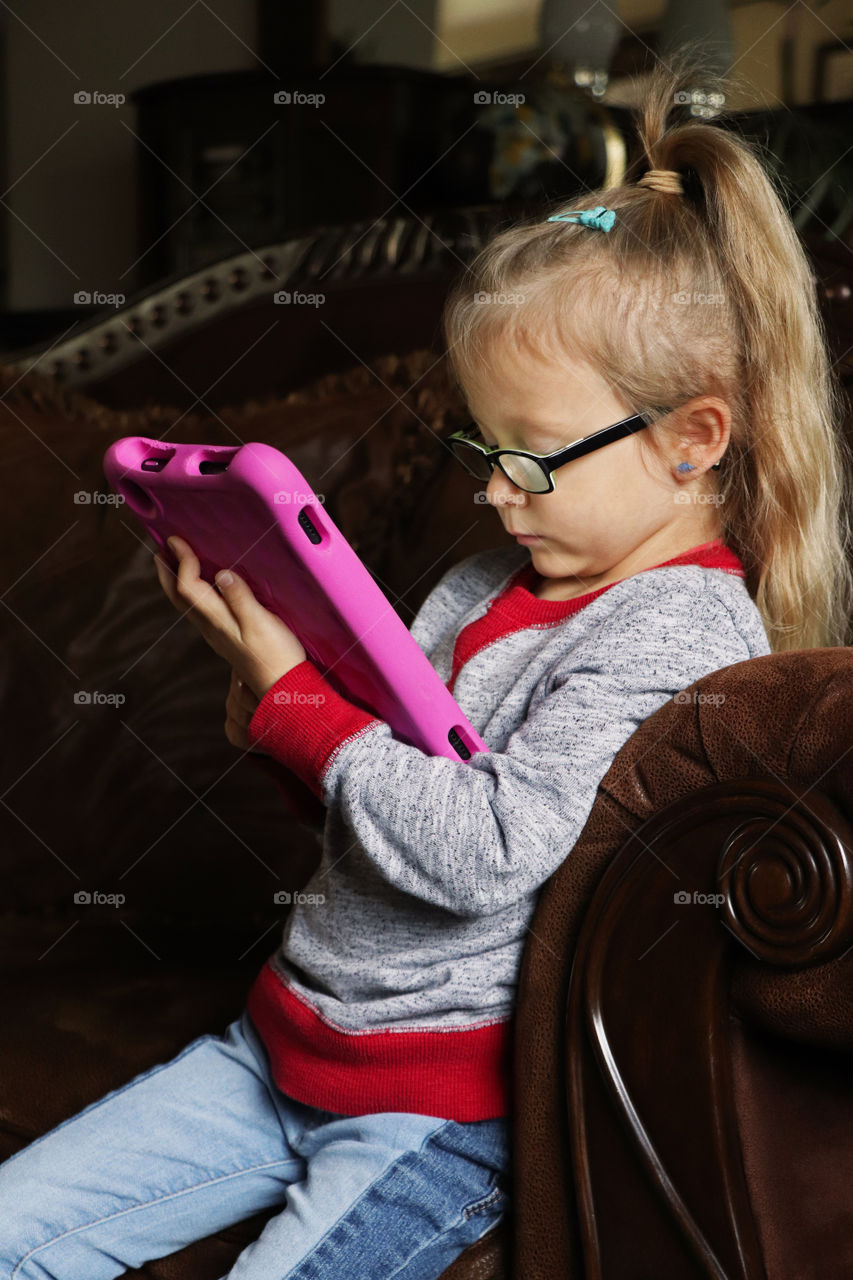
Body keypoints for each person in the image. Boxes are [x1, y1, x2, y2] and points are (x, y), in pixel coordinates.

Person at [2, 48, 851, 1280]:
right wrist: (273, 708)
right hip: (280, 1047)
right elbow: (379, 813)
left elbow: (485, 849)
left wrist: (304, 707)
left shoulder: (674, 633)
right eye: (480, 446)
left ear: (690, 438)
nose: (495, 491)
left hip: (430, 1113)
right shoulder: (484, 581)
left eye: (532, 456)